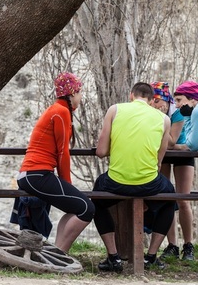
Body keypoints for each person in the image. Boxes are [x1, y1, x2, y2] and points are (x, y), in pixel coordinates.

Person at [93, 82, 175, 272]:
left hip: (116, 181)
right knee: (170, 198)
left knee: (96, 199)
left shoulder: (114, 110)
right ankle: (152, 256)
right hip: (148, 183)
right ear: (152, 100)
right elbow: (158, 162)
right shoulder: (164, 119)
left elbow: (101, 151)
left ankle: (113, 257)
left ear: (131, 96)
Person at [17, 72, 95, 253]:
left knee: (76, 208)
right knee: (87, 208)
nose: (81, 96)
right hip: (37, 174)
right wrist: (67, 183)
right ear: (71, 93)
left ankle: (57, 252)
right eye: (79, 92)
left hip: (32, 174)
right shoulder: (61, 111)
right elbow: (63, 153)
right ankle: (61, 255)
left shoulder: (58, 109)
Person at [150, 82, 195, 261]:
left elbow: (171, 140)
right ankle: (172, 245)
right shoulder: (152, 113)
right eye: (153, 101)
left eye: (160, 101)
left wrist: (160, 119)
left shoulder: (177, 113)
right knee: (166, 198)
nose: (157, 105)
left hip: (182, 154)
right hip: (163, 155)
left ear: (167, 101)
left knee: (183, 199)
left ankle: (188, 245)